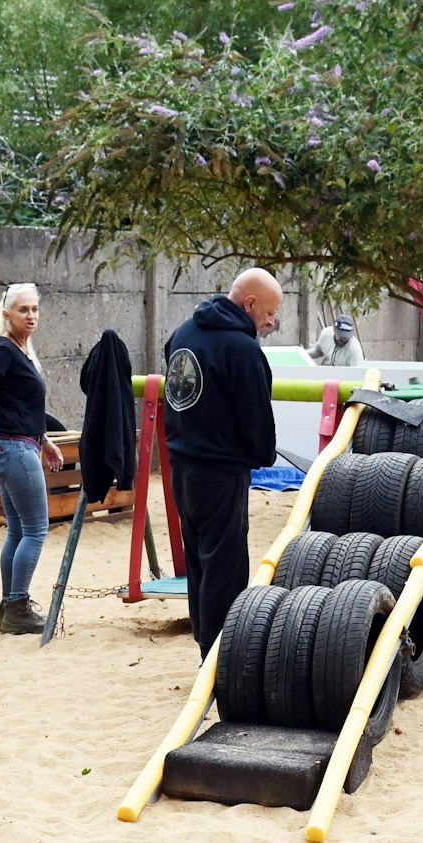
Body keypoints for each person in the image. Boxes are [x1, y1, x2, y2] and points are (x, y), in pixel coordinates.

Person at [164, 267, 280, 659]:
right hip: (221, 470)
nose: (271, 322)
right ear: (249, 304)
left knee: (198, 562)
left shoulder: (184, 333)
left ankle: (204, 646)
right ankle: (221, 656)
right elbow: (256, 418)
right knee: (225, 568)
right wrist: (263, 455)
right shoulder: (243, 350)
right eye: (268, 312)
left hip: (181, 467)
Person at [0, 282, 63, 636]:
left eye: (34, 309)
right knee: (36, 529)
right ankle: (17, 605)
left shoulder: (21, 350)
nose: (31, 315)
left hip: (19, 446)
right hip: (14, 451)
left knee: (18, 531)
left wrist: (44, 441)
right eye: (23, 310)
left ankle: (10, 607)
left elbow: (19, 406)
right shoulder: (4, 349)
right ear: (7, 315)